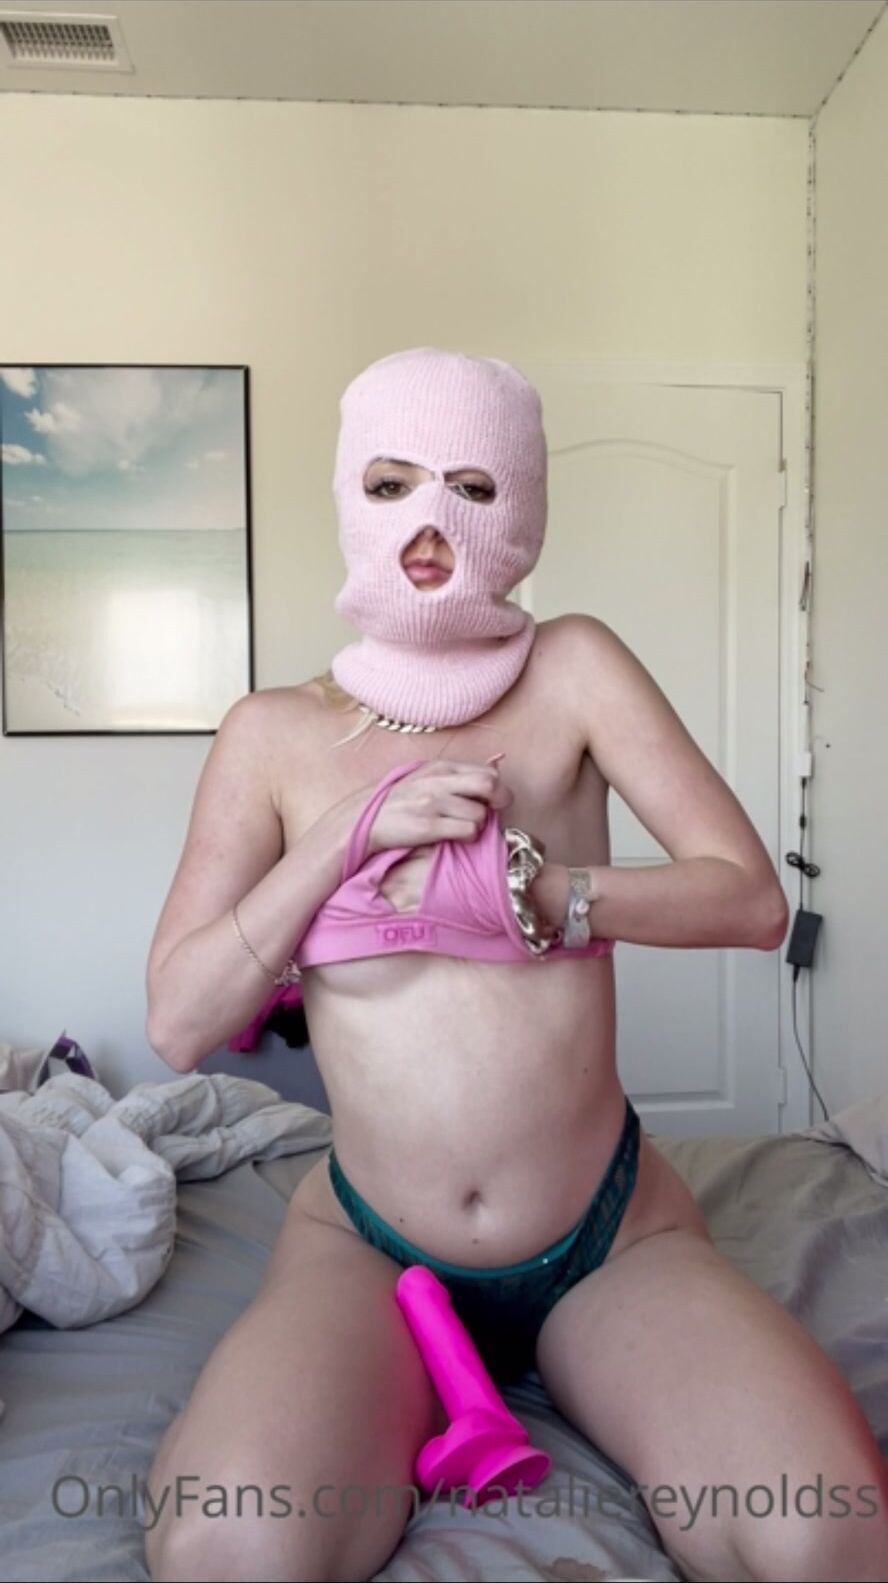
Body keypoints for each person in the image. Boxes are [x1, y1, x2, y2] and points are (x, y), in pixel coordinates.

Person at [144, 349, 888, 1583]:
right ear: (349, 494)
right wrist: (342, 839)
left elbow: (752, 899)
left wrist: (540, 894)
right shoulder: (268, 735)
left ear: (524, 506)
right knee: (231, 1545)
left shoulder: (576, 667)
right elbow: (178, 1020)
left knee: (829, 1529)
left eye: (473, 487)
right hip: (371, 1243)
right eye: (391, 483)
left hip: (607, 1236)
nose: (430, 523)